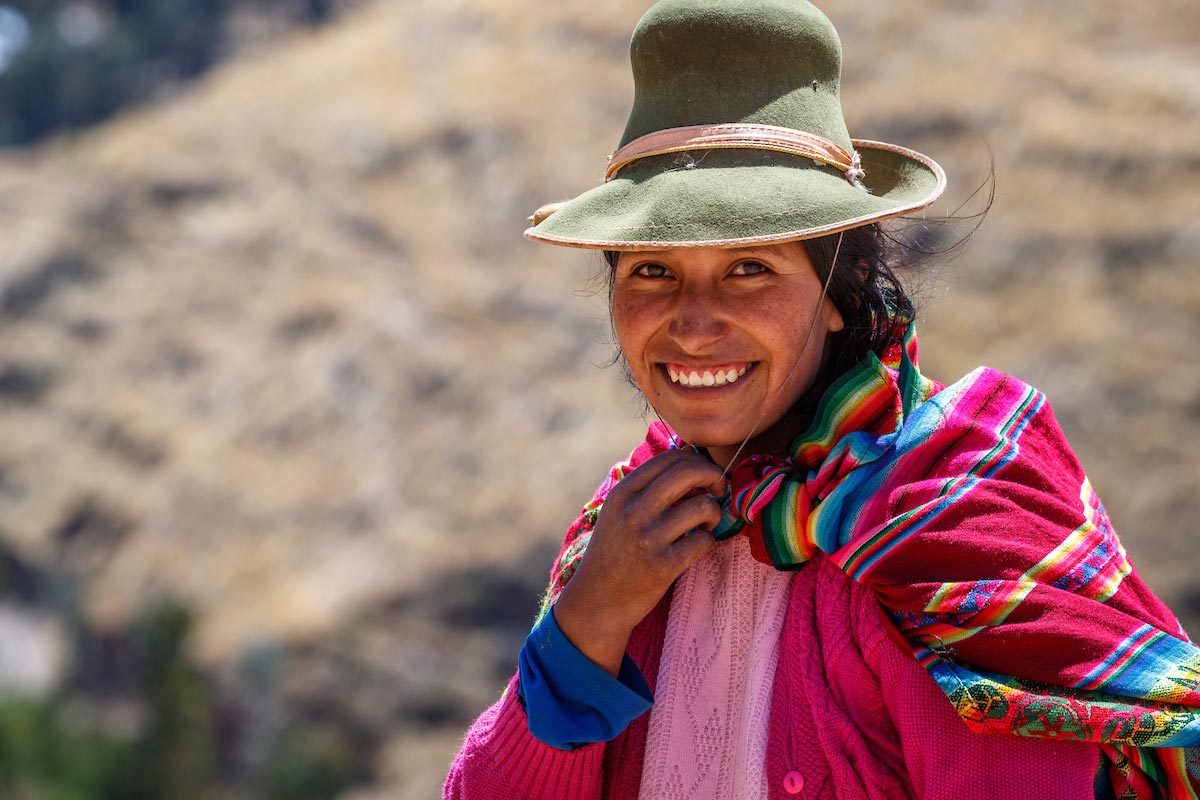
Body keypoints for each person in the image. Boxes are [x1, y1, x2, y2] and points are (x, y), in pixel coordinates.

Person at [445, 1, 1200, 797]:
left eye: (751, 269)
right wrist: (589, 622)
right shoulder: (632, 528)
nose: (695, 326)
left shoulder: (944, 531)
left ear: (837, 292)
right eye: (651, 271)